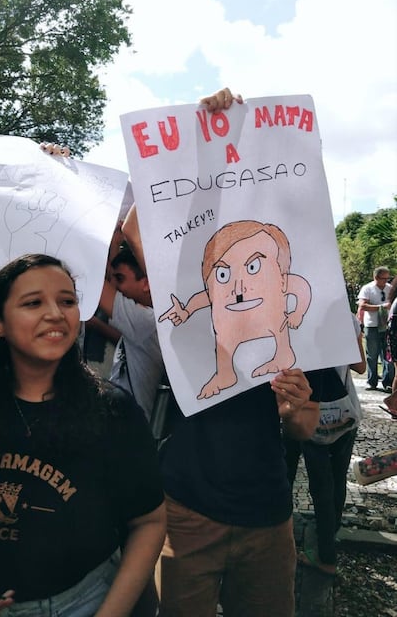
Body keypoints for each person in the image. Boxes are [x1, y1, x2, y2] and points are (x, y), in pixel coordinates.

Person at [122, 87, 321, 617]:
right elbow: (137, 231)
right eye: (224, 271)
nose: (238, 282)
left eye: (255, 266)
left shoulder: (301, 336)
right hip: (187, 511)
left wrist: (297, 405)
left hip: (269, 515)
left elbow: (304, 430)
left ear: (284, 276)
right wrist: (205, 144)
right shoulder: (194, 319)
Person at [0, 253, 166, 616]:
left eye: (67, 301)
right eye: (33, 302)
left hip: (86, 601)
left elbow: (149, 522)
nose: (55, 313)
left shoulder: (112, 411)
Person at [288, 316, 366, 575]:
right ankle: (329, 537)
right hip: (344, 413)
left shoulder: (296, 319)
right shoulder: (349, 321)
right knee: (337, 478)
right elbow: (361, 366)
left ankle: (326, 557)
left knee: (320, 484)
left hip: (312, 413)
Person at [99, 241, 166, 423]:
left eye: (119, 279)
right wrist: (114, 240)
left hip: (129, 423)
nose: (114, 285)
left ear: (146, 283)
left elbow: (97, 285)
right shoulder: (152, 319)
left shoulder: (147, 320)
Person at [358, 266, 394, 391]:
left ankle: (387, 381)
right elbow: (363, 305)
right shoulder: (367, 288)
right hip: (372, 325)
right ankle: (371, 381)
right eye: (383, 278)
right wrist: (381, 307)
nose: (385, 281)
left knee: (388, 355)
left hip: (387, 326)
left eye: (387, 278)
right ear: (376, 277)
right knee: (372, 355)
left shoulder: (390, 289)